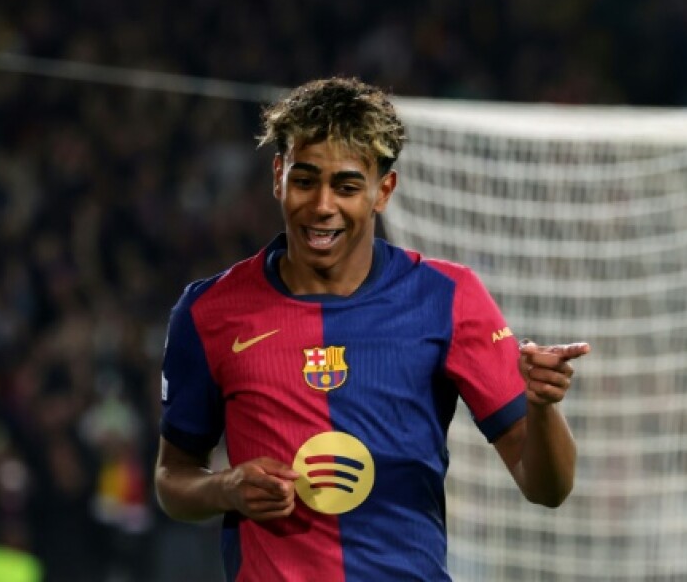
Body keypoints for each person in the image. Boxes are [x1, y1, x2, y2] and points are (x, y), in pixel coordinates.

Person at [154, 76, 589, 581]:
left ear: (384, 190)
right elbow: (172, 479)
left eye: (346, 186)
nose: (322, 205)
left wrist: (542, 406)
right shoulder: (209, 311)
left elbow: (548, 488)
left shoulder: (448, 298)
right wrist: (225, 488)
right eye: (305, 179)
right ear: (278, 176)